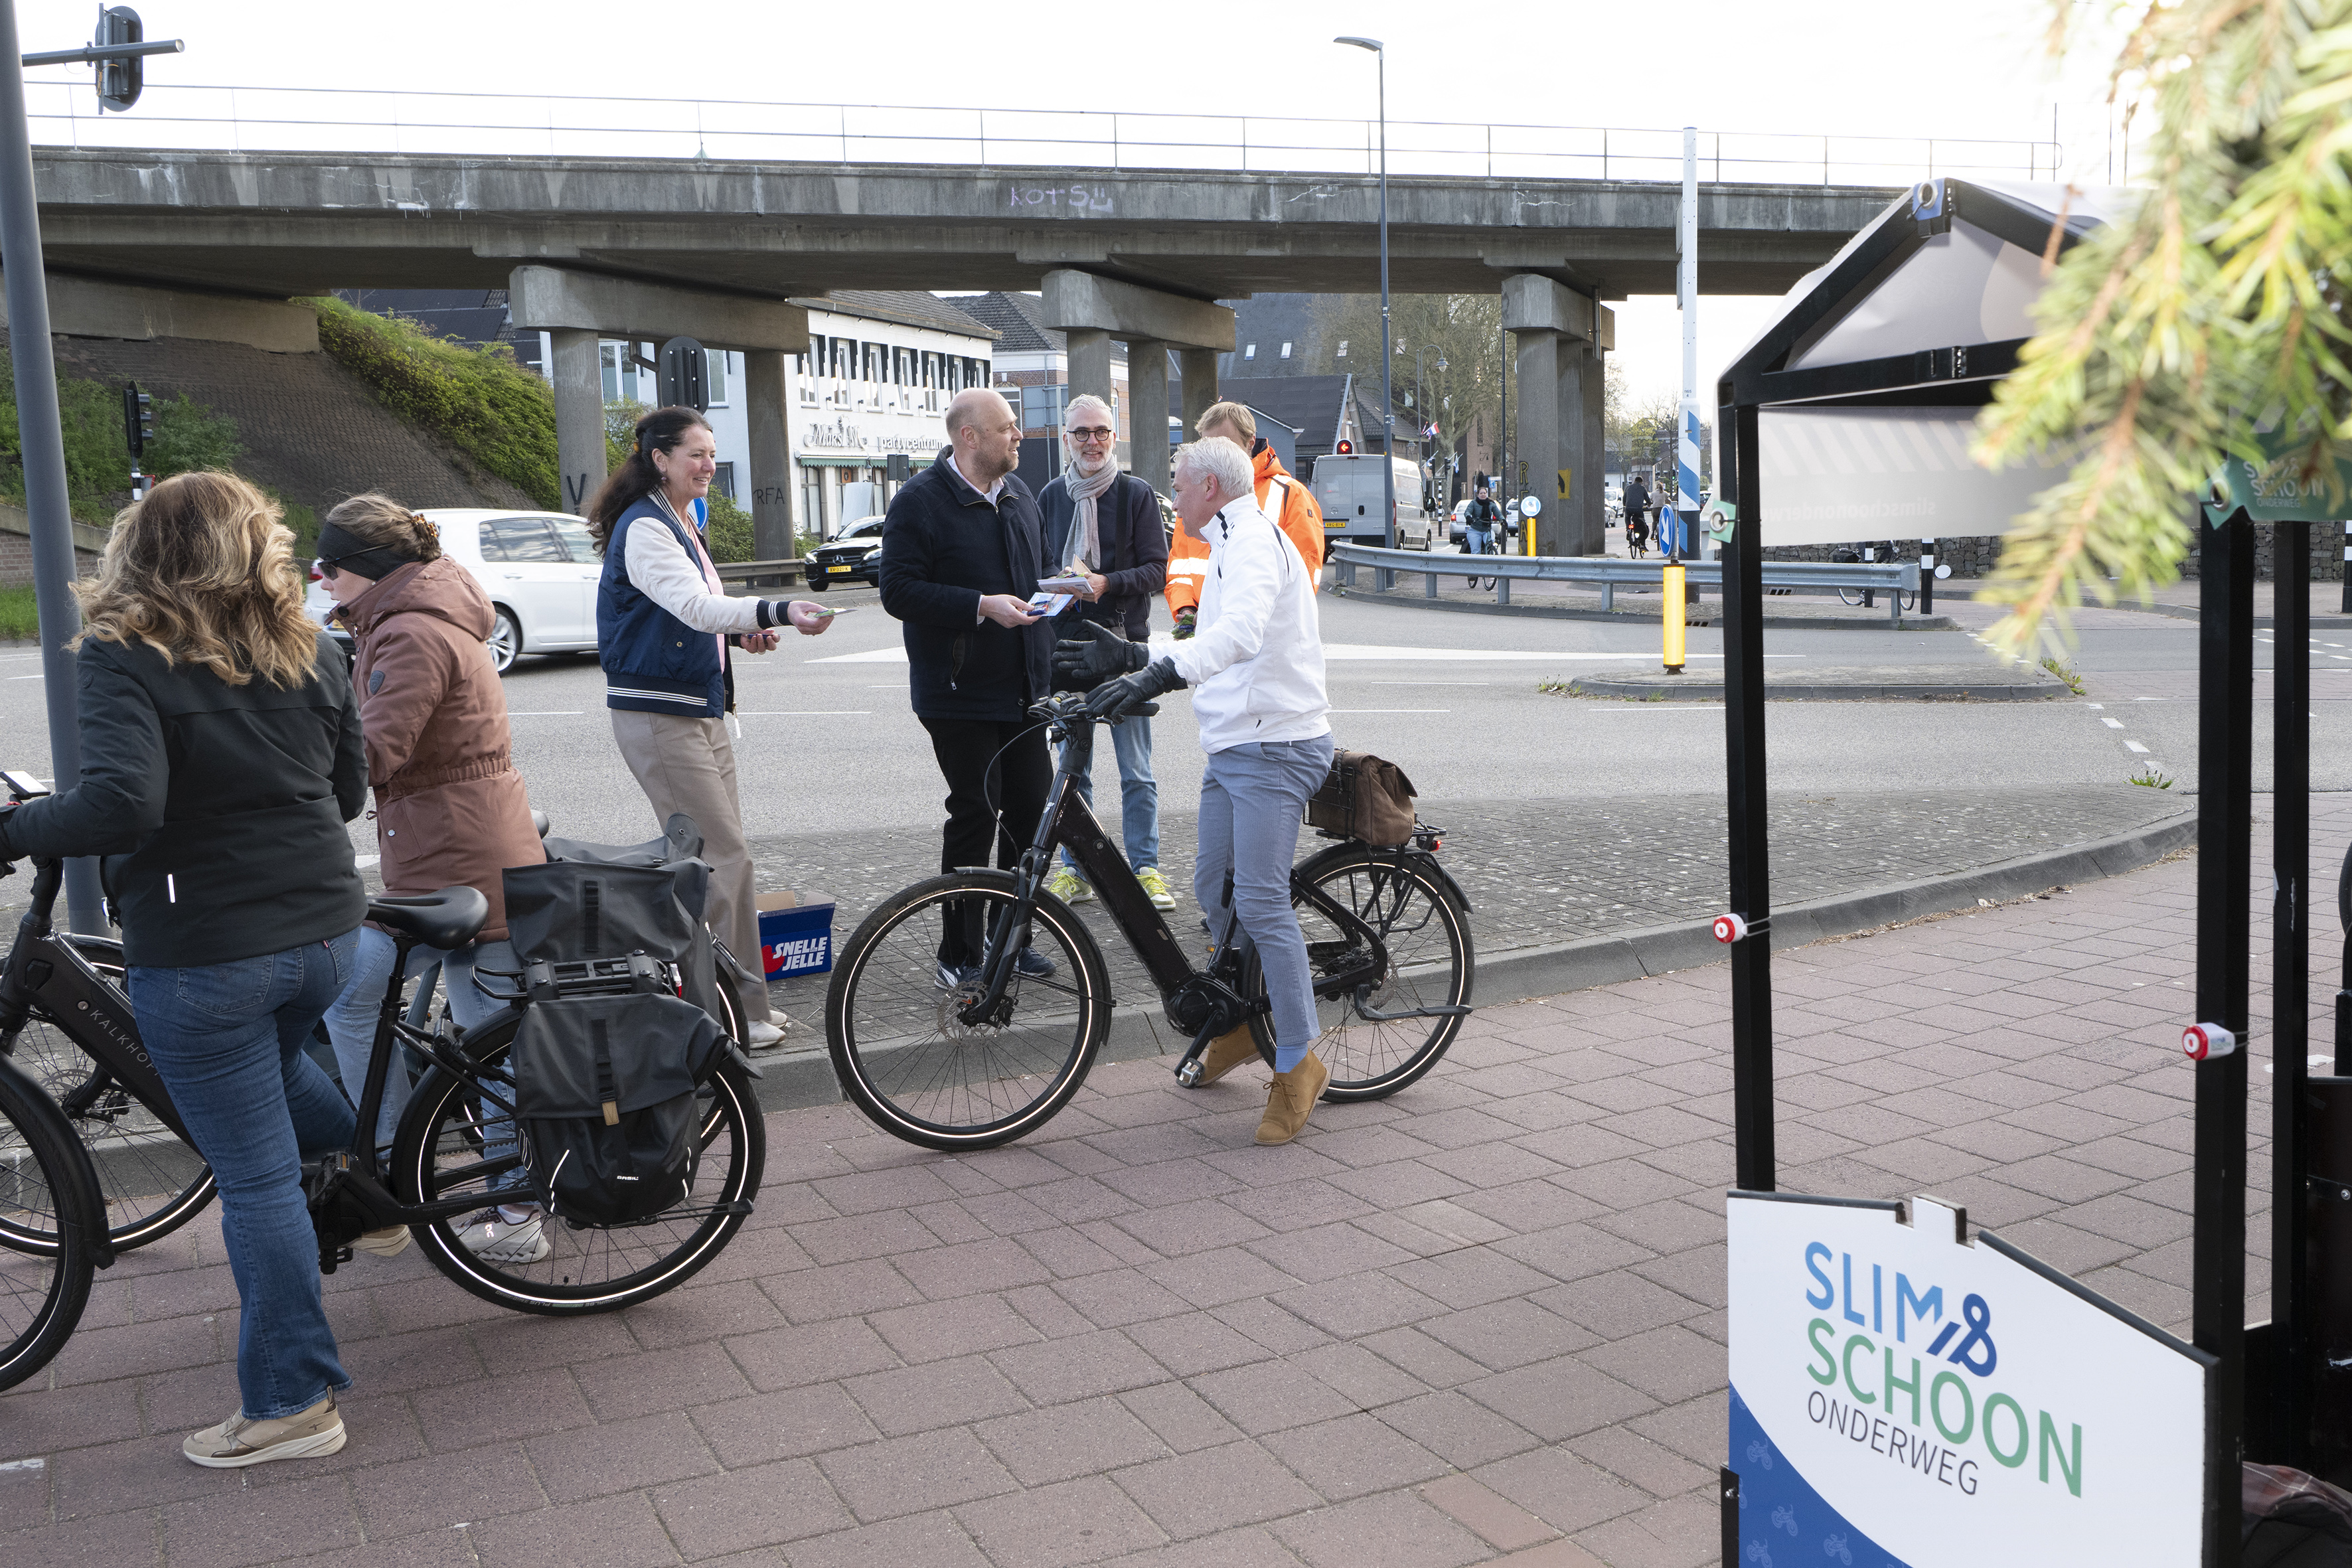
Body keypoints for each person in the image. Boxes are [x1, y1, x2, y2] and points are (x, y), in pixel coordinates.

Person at [0, 472, 370, 1466]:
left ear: (140, 550)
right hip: (328, 935)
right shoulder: (316, 647)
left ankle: (292, 1400)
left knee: (255, 1184)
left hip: (210, 950)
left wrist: (15, 827)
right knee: (280, 1071)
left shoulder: (126, 654)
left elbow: (121, 806)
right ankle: (370, 1180)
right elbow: (344, 793)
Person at [1056, 437, 1334, 1146]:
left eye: (1176, 484)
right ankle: (1241, 1025)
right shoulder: (1223, 538)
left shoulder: (1249, 544)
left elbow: (1237, 636)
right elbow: (1205, 638)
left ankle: (1300, 1061)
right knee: (1215, 890)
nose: (1168, 497)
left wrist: (1152, 677)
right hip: (1235, 744)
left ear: (1210, 485)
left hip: (1275, 744)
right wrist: (1131, 654)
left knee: (1263, 900)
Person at [311, 493, 550, 1263]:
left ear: (368, 571)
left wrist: (285, 774)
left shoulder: (410, 630)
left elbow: (376, 752)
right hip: (445, 850)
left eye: (330, 567)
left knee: (489, 1042)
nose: (321, 580)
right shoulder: (407, 615)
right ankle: (389, 1161)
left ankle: (514, 1207)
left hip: (464, 858)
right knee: (367, 996)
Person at [591, 405, 833, 1049]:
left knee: (718, 864)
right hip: (660, 717)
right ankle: (734, 1017)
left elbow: (690, 617)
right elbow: (694, 607)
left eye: (711, 451)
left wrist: (745, 634)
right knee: (720, 863)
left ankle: (734, 1005)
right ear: (660, 459)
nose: (708, 463)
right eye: (695, 453)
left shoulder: (678, 521)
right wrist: (776, 608)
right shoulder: (646, 527)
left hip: (695, 711)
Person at [878, 387, 1059, 986]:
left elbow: (1035, 574)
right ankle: (957, 953)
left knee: (1030, 816)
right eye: (1008, 427)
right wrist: (980, 606)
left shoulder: (1020, 494)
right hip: (957, 692)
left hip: (1024, 689)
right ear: (969, 437)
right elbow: (897, 592)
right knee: (975, 814)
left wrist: (1065, 589)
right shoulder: (919, 502)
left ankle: (1011, 938)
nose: (1019, 436)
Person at [1038, 394, 1174, 911]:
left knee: (1136, 769)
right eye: (1081, 433)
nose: (1091, 442)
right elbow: (1038, 561)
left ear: (1114, 438)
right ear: (1065, 438)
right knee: (1074, 770)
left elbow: (1157, 571)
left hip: (1122, 646)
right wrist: (1054, 585)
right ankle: (1077, 871)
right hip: (1067, 648)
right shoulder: (1050, 494)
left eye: (1100, 432)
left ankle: (1146, 870)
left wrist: (1104, 583)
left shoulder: (1135, 494)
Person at [1166, 401, 1323, 640]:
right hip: (1208, 630)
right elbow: (1180, 566)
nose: (1216, 455)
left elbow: (1304, 577)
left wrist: (1232, 618)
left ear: (1251, 442)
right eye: (1208, 446)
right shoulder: (1194, 495)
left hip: (1261, 635)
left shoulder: (1291, 494)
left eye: (1225, 445)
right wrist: (1186, 609)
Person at [1462, 485, 1502, 557]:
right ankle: (1476, 566)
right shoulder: (1473, 503)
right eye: (1481, 493)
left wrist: (1503, 520)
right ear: (1478, 495)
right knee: (1476, 551)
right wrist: (1468, 517)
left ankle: (1490, 554)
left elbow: (1498, 514)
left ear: (1487, 494)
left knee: (1491, 543)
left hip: (1487, 530)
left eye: (1484, 493)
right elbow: (1468, 511)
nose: (1483, 495)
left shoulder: (1491, 504)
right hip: (1475, 531)